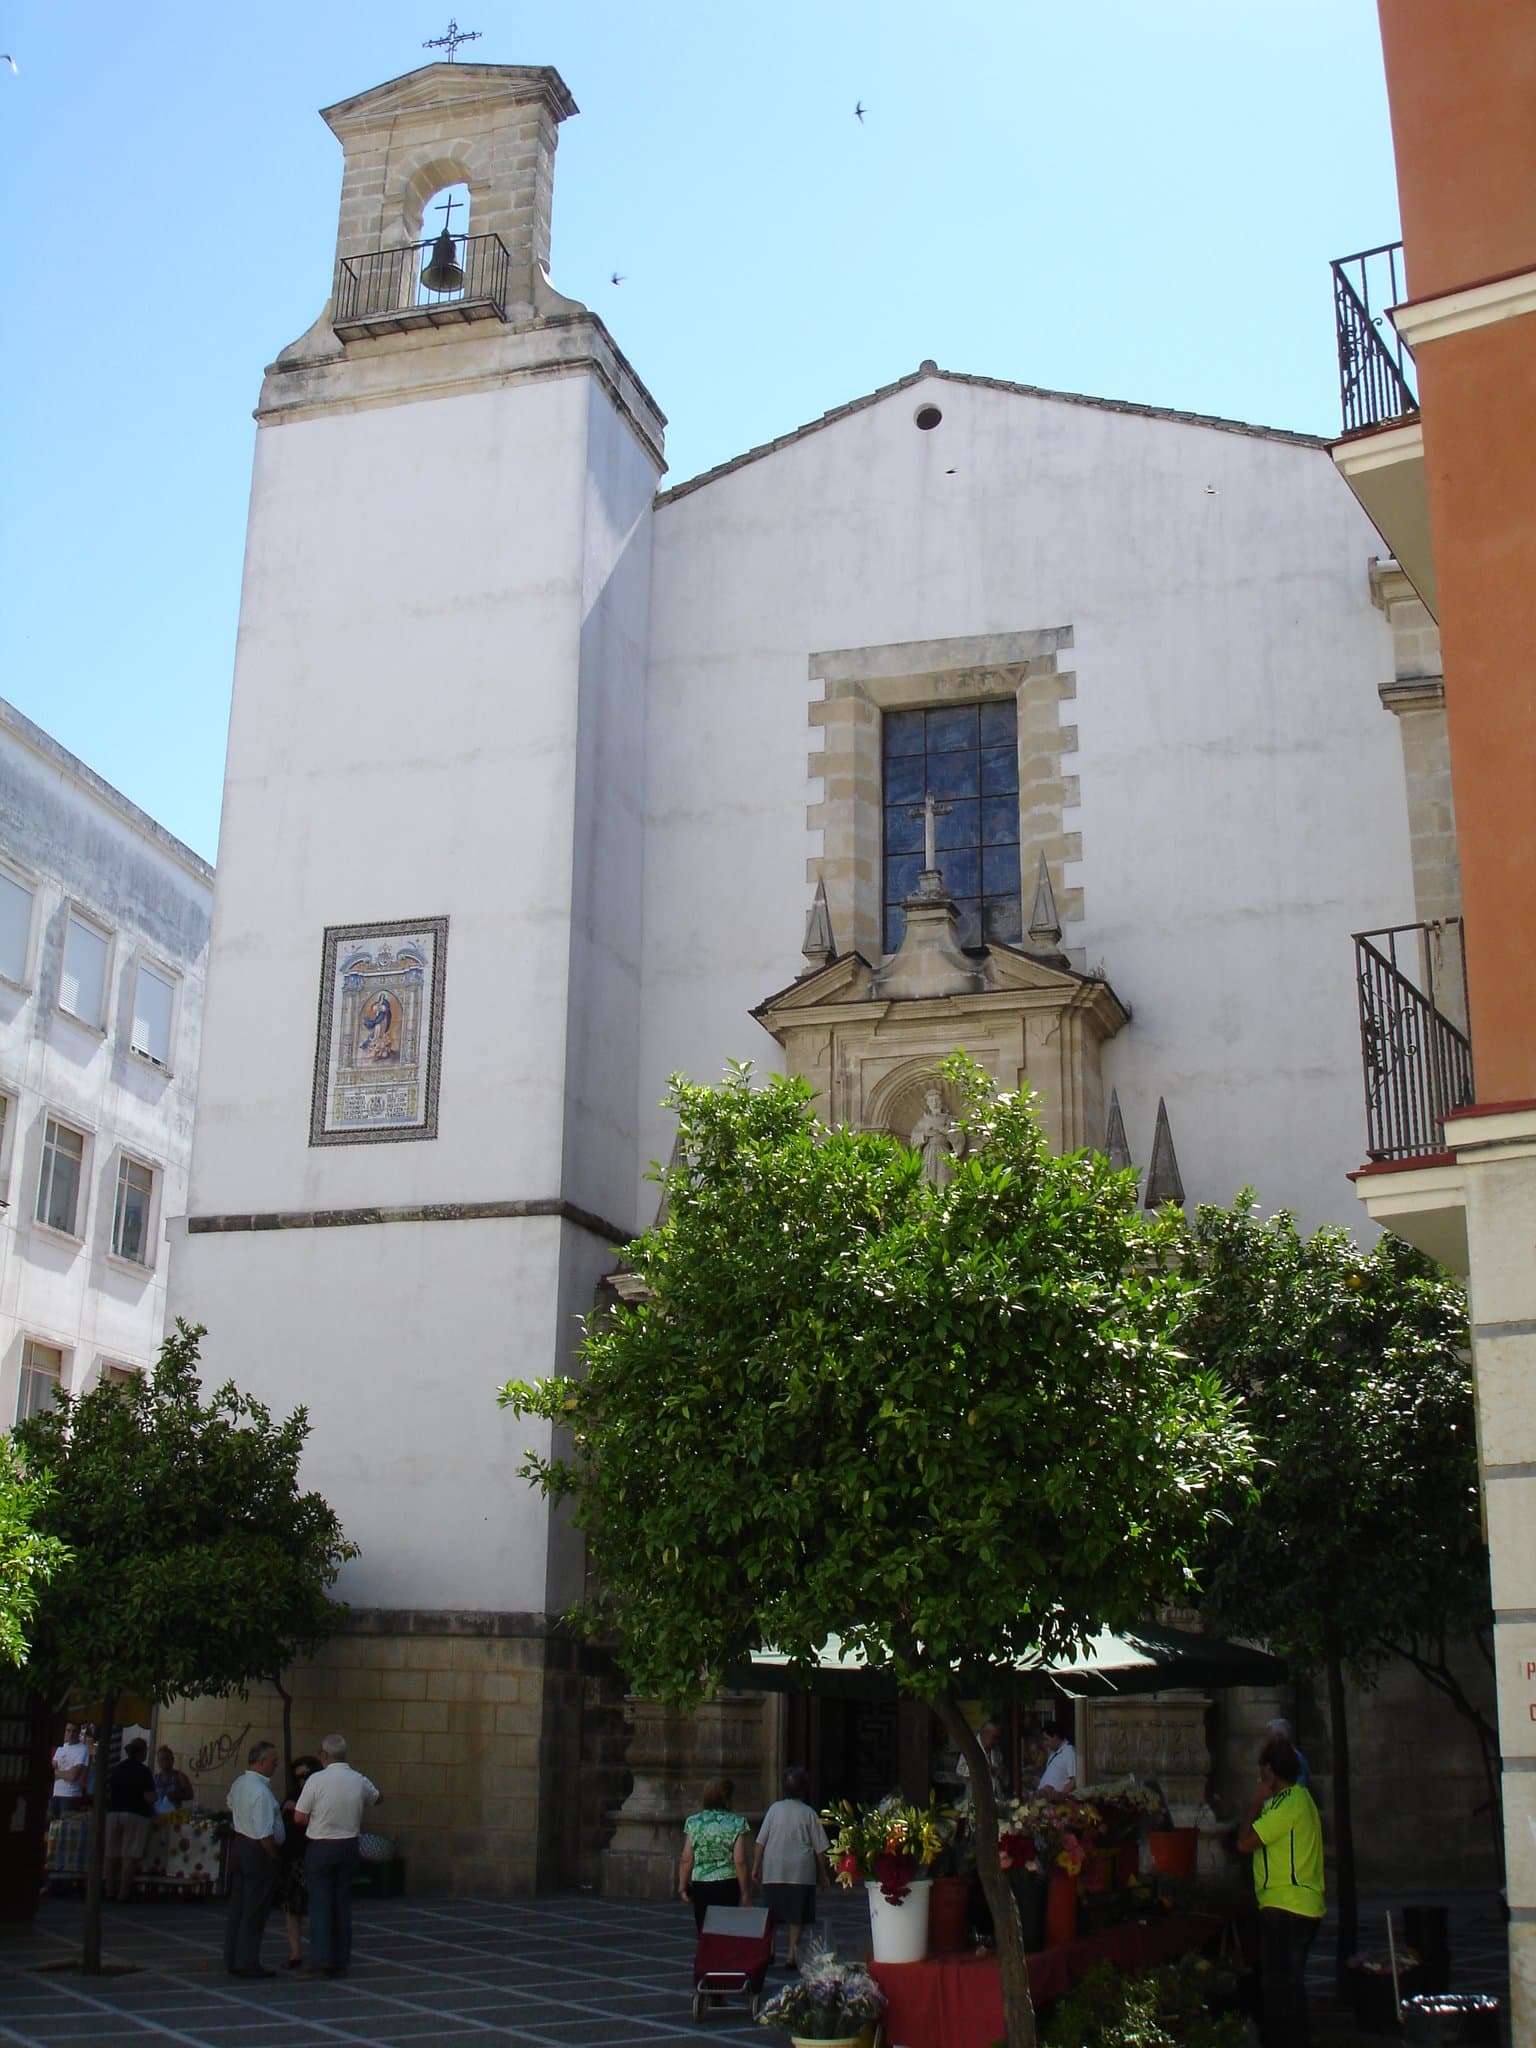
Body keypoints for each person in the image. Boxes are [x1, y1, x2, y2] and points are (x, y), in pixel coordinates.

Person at [1236, 1735, 1325, 2048]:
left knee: (1280, 1989)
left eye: (1262, 1770)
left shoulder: (1290, 1804)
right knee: (1289, 1986)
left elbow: (1244, 1842)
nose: (1260, 1776)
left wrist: (1256, 1802)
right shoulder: (1299, 1800)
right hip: (1295, 1904)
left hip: (1287, 1906)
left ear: (1271, 1771)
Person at [294, 1732, 382, 1979]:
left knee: (321, 1904)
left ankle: (322, 1961)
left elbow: (299, 1817)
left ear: (324, 1755)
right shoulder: (358, 1779)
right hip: (348, 1845)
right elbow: (378, 1798)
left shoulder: (316, 1780)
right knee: (342, 1903)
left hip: (321, 1845)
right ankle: (341, 1960)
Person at [752, 1767, 831, 1969]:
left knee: (772, 1912)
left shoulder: (774, 1810)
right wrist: (824, 1874)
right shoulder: (809, 1813)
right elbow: (819, 1847)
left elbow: (761, 1841)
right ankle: (792, 1953)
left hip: (774, 1867)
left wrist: (756, 1866)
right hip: (800, 1871)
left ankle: (769, 1949)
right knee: (797, 1914)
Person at [225, 1739, 284, 1978]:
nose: (275, 1765)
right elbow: (264, 1833)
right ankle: (247, 1960)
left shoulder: (240, 1783)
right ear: (261, 1762)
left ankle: (233, 1956)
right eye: (273, 1761)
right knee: (254, 1909)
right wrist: (274, 1857)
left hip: (240, 1843)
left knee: (238, 1906)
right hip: (256, 1849)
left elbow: (230, 1803)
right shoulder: (260, 1791)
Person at [678, 1777, 751, 1931]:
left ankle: (706, 1954)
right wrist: (745, 1892)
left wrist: (682, 1885)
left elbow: (686, 1859)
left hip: (701, 1883)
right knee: (726, 1930)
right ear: (728, 1798)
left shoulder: (694, 1822)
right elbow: (739, 1861)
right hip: (728, 1883)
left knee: (704, 1929)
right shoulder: (737, 1822)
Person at [275, 1753, 322, 1970]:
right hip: (292, 1856)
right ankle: (295, 1953)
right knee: (291, 1908)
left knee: (313, 1907)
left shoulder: (320, 1795)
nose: (302, 1781)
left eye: (306, 1775)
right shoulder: (292, 1795)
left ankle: (319, 1952)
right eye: (298, 1777)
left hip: (312, 1854)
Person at [104, 1737, 157, 1901]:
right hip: (135, 1813)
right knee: (129, 1855)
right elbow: (150, 1797)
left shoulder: (117, 1769)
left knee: (111, 1853)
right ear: (141, 1752)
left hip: (113, 1812)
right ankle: (123, 1894)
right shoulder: (143, 1771)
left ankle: (109, 1891)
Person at [956, 1717, 1009, 1806]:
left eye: (998, 1738)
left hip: (996, 1798)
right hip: (977, 1799)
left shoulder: (996, 1750)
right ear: (985, 1734)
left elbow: (1003, 1773)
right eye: (994, 1737)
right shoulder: (971, 1748)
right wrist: (983, 1770)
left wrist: (1000, 1771)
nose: (996, 1741)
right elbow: (959, 1772)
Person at [50, 1722, 90, 1817]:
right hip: (56, 1794)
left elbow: (73, 1776)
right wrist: (65, 1773)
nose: (71, 1734)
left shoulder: (82, 1750)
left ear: (79, 1732)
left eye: (74, 1731)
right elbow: (51, 1771)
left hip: (71, 1796)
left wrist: (58, 1773)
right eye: (68, 1730)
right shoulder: (61, 1747)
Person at [1264, 1715, 1310, 1788]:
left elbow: (1299, 1787)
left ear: (1280, 1736)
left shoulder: (1295, 1759)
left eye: (1270, 1738)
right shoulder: (1281, 1757)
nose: (1267, 1742)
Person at [1037, 1723, 1077, 1797]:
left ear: (1055, 1736)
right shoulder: (1053, 1753)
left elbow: (1074, 1780)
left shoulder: (1069, 1751)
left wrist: (1060, 1797)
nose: (1045, 1743)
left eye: (1047, 1739)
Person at [152, 1746, 194, 1813]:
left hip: (174, 1816)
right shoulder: (155, 1778)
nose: (164, 1762)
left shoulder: (179, 1776)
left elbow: (190, 1795)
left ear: (172, 1759)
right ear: (158, 1762)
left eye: (167, 1759)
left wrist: (176, 1796)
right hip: (158, 1816)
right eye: (162, 1759)